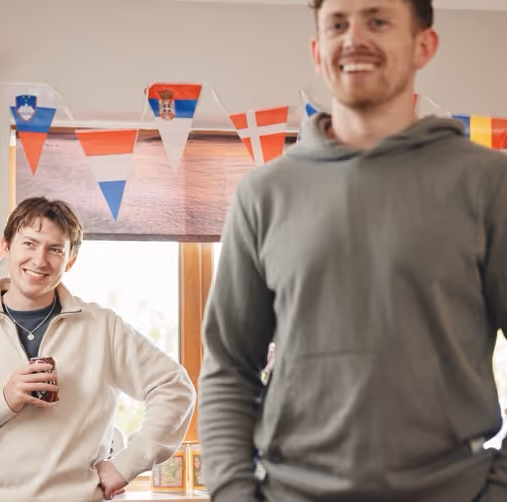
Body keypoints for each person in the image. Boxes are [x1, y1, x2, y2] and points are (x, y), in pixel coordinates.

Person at [198, 1, 507, 501]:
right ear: (318, 51)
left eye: (378, 20)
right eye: (338, 24)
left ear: (424, 45)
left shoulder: (489, 184)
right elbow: (228, 366)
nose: (354, 38)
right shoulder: (264, 194)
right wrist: (233, 492)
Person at [0, 196, 196, 501]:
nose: (39, 260)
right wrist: (3, 401)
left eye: (55, 249)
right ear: (6, 246)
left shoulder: (103, 327)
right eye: (30, 244)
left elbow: (174, 389)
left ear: (70, 260)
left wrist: (125, 465)